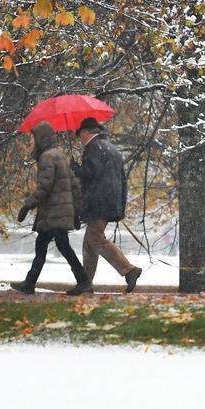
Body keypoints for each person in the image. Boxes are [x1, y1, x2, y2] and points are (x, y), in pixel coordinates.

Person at [11, 122, 93, 296]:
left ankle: (83, 281)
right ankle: (30, 282)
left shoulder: (47, 157)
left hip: (55, 213)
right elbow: (75, 185)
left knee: (61, 246)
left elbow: (44, 187)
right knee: (44, 244)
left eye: (32, 138)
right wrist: (76, 211)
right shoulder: (59, 155)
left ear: (41, 138)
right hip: (59, 213)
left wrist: (27, 205)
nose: (30, 142)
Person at [76, 117, 142, 293]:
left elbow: (90, 174)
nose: (79, 139)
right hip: (108, 200)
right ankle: (86, 283)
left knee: (95, 239)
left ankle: (129, 270)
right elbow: (120, 178)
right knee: (90, 243)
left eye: (79, 135)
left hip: (99, 202)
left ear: (86, 132)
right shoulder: (109, 147)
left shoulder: (94, 148)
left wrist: (75, 168)